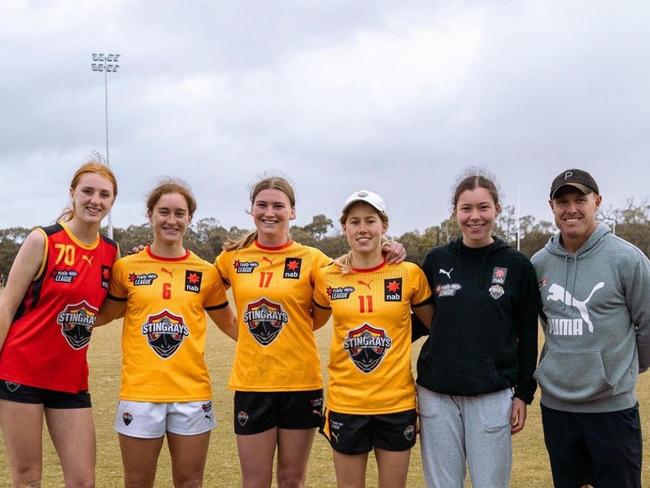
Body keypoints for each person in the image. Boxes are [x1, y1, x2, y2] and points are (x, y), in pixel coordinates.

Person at [215, 177, 405, 488]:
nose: (270, 212)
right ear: (251, 210)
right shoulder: (232, 258)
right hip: (253, 383)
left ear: (292, 212)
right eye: (262, 205)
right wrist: (239, 332)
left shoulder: (313, 259)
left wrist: (388, 247)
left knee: (292, 480)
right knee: (254, 482)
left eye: (279, 205)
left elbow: (353, 269)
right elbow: (202, 292)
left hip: (301, 383)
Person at [97, 179, 237, 488]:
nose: (171, 220)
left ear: (190, 219)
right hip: (140, 393)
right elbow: (104, 315)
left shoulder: (206, 272)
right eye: (163, 212)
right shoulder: (126, 268)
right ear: (150, 214)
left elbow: (231, 326)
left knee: (190, 482)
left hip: (191, 394)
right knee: (137, 482)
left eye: (179, 213)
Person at [414, 173, 539, 488]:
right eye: (466, 208)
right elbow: (415, 323)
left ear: (497, 209)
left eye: (483, 207)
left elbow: (527, 335)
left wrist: (524, 393)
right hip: (436, 394)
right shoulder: (436, 259)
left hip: (492, 395)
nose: (475, 217)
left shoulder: (517, 265)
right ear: (455, 211)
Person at [0, 161, 119, 487]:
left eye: (104, 194)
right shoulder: (44, 239)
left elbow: (105, 309)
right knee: (27, 478)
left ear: (112, 202)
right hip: (21, 372)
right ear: (73, 194)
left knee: (82, 479)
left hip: (71, 379)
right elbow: (7, 306)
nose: (95, 200)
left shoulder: (111, 251)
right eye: (88, 191)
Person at [532, 168, 650, 488]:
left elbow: (648, 325)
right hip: (557, 409)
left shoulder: (627, 259)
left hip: (612, 410)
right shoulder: (539, 264)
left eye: (579, 199)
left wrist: (617, 370)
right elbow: (546, 323)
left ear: (596, 202)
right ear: (551, 207)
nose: (571, 209)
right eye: (562, 201)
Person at [312, 190, 433, 488]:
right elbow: (311, 320)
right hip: (347, 404)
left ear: (384, 225)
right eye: (354, 222)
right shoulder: (329, 276)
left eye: (370, 220)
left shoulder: (409, 274)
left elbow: (435, 326)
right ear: (344, 228)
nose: (362, 228)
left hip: (396, 403)